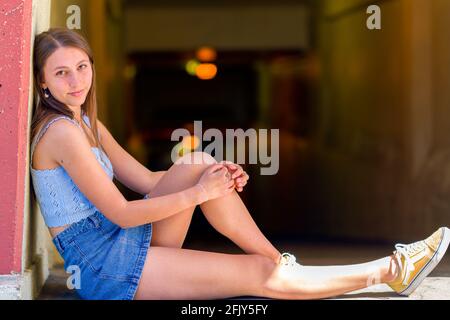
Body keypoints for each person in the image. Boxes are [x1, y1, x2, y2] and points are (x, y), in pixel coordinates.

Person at [30, 28, 450, 300]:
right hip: (104, 266)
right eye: (62, 73)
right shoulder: (61, 133)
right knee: (255, 275)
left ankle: (280, 263)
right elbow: (122, 213)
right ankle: (390, 271)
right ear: (42, 82)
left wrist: (214, 178)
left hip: (118, 242)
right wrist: (199, 194)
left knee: (199, 161)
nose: (76, 81)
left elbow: (146, 179)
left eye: (81, 67)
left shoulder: (83, 121)